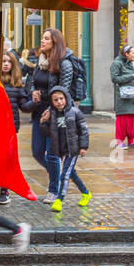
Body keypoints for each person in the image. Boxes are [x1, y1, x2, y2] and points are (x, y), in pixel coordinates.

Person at [24, 27, 82, 204]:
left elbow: (64, 91)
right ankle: (61, 176)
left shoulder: (64, 63)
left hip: (56, 114)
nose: (42, 41)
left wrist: (51, 110)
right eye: (42, 38)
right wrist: (33, 92)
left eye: (46, 39)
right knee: (37, 152)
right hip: (38, 112)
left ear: (55, 42)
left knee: (52, 154)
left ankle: (53, 190)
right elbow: (32, 83)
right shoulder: (41, 61)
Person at [44, 85, 88, 213]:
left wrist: (83, 146)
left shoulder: (75, 112)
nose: (59, 102)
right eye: (56, 100)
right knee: (71, 173)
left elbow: (84, 130)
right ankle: (85, 193)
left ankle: (59, 200)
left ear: (66, 98)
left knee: (65, 175)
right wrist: (43, 122)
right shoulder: (52, 115)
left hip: (73, 149)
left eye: (61, 99)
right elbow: (48, 133)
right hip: (62, 150)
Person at [0, 52, 30, 205]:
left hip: (10, 128)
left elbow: (24, 107)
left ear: (13, 65)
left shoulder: (17, 85)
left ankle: (4, 191)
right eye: (3, 61)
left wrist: (35, 101)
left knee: (6, 160)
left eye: (9, 62)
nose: (6, 64)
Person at [110, 44, 134, 149]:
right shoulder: (117, 63)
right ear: (126, 54)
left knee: (133, 119)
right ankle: (119, 142)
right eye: (132, 52)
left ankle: (131, 141)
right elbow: (115, 78)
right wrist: (131, 76)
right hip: (123, 96)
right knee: (123, 120)